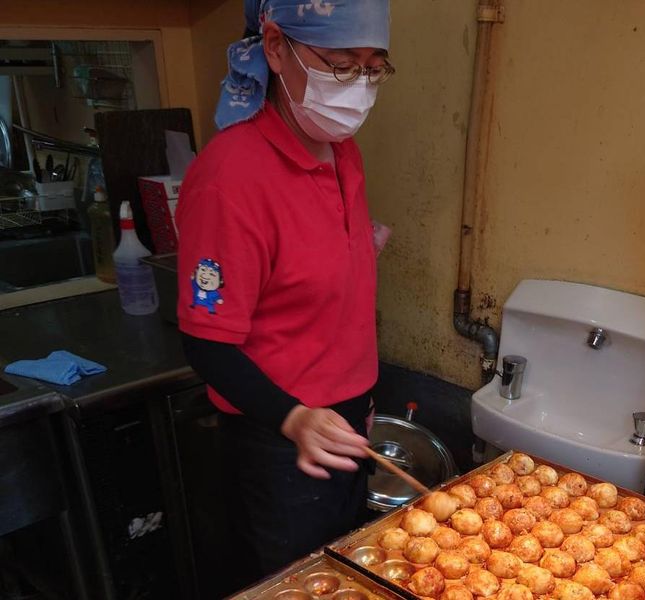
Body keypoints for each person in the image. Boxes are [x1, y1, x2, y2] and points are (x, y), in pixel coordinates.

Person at [175, 0, 393, 586]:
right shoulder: (231, 178)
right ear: (275, 47)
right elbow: (206, 344)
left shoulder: (343, 150)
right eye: (342, 65)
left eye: (373, 68)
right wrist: (294, 418)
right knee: (295, 584)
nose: (360, 87)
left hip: (349, 417)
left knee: (349, 575)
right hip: (280, 437)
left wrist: (358, 401)